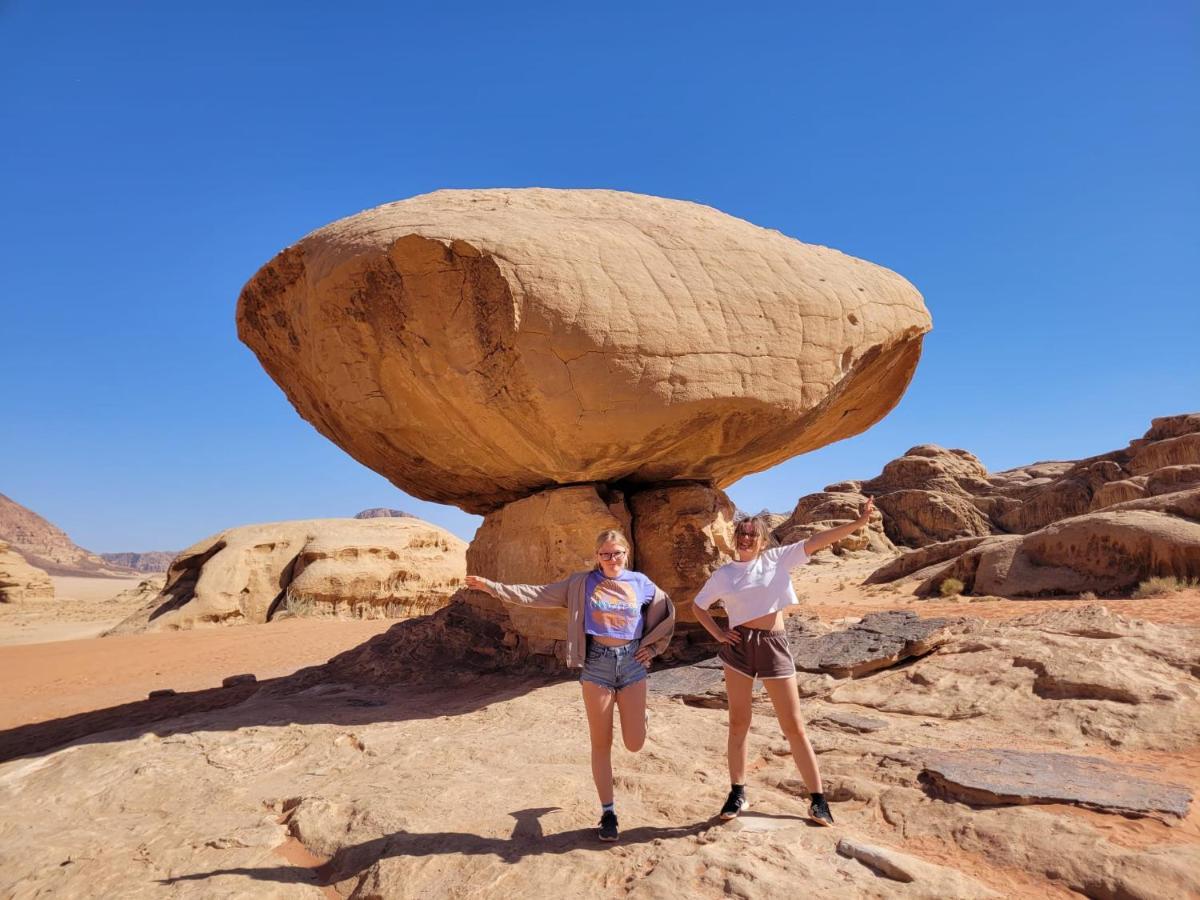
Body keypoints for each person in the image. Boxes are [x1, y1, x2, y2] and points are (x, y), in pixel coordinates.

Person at [465, 529, 675, 843]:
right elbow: (536, 595)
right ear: (596, 557)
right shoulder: (581, 583)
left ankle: (640, 718)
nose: (612, 559)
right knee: (601, 742)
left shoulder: (641, 584)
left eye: (617, 553)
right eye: (605, 554)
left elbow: (668, 613)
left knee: (634, 743)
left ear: (626, 553)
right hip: (597, 666)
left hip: (632, 664)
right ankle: (608, 813)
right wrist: (493, 588)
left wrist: (654, 648)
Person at [690, 498, 875, 827]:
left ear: (762, 540)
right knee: (738, 723)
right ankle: (737, 792)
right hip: (739, 648)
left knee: (793, 727)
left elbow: (819, 541)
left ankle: (817, 799)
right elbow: (698, 606)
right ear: (735, 537)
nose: (746, 538)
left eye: (752, 534)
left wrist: (857, 525)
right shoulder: (724, 575)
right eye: (742, 533)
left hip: (773, 645)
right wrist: (719, 634)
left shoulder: (777, 559)